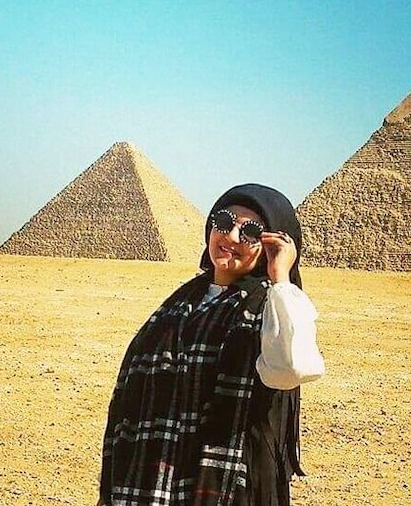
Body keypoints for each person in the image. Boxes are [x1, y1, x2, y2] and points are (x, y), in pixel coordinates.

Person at [98, 183, 325, 506]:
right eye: (223, 222)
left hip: (229, 483)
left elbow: (291, 368)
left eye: (250, 232)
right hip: (150, 478)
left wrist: (281, 278)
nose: (231, 237)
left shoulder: (274, 306)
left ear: (272, 242)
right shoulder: (175, 306)